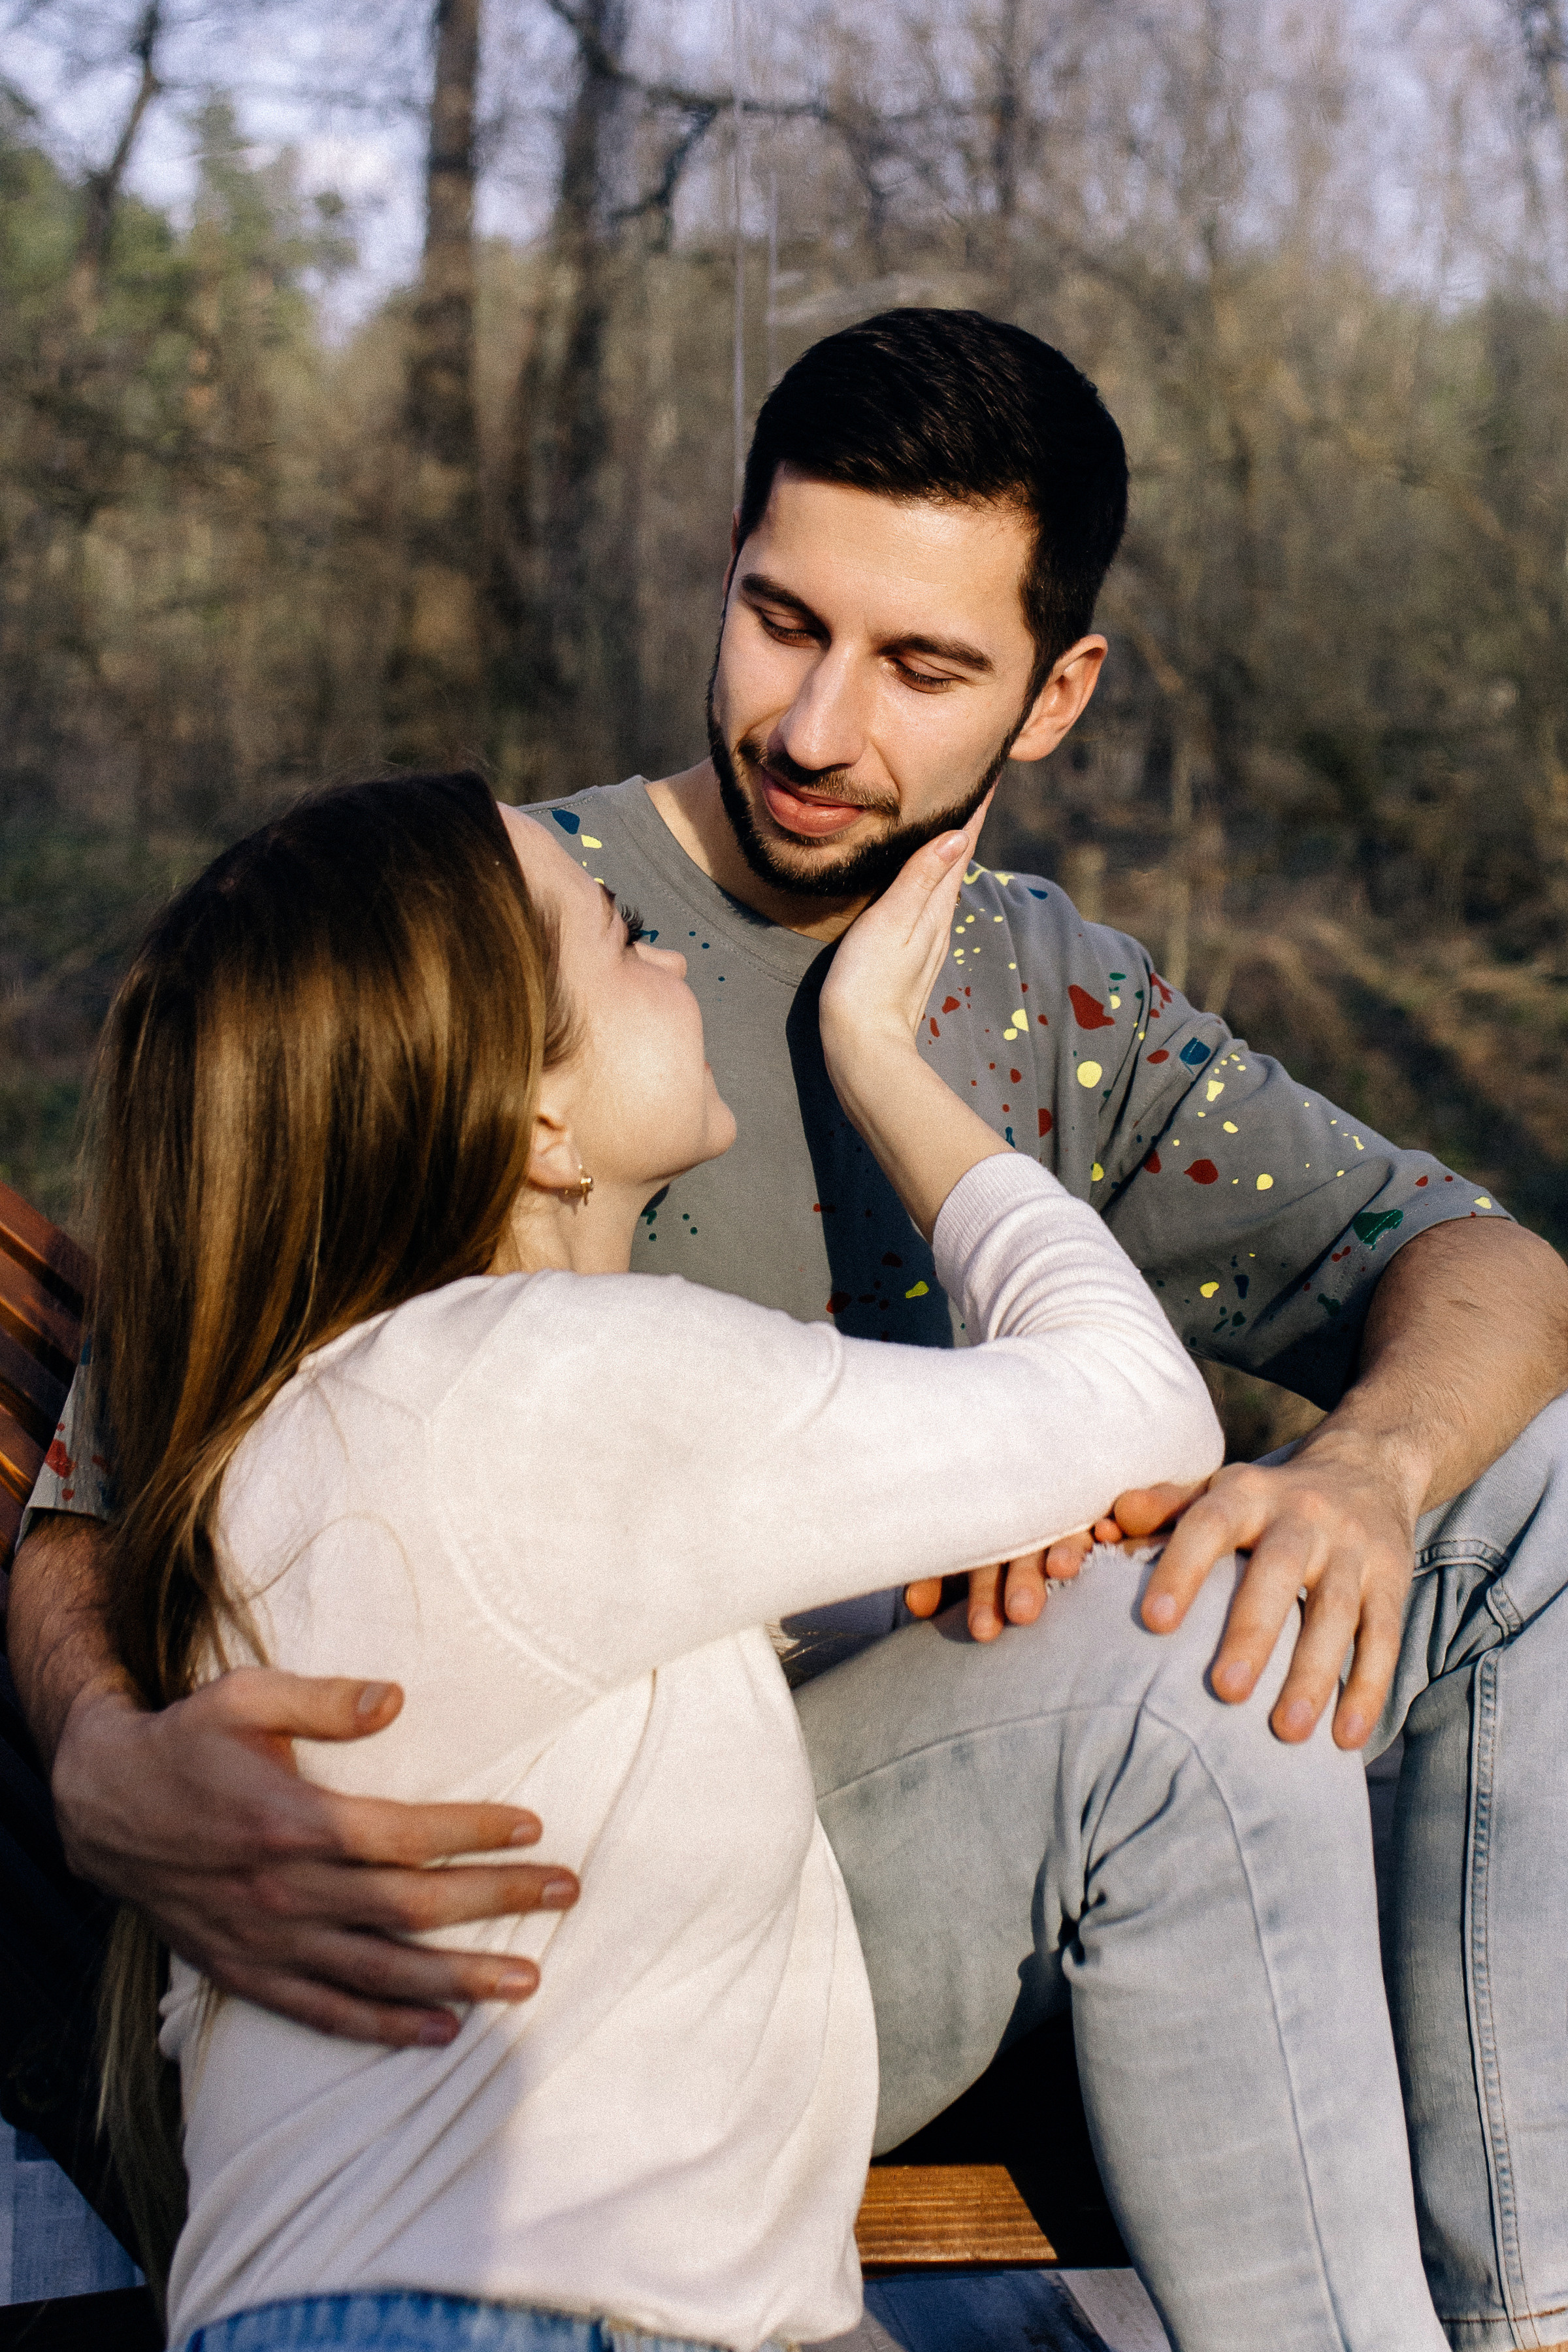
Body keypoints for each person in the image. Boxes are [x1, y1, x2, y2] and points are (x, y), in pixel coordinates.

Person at [12, 309, 1568, 2349]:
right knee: (1162, 1680)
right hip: (576, 1933)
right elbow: (113, 1486)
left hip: (967, 1820)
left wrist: (1363, 1474)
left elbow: (1492, 1270)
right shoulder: (503, 950)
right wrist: (100, 1758)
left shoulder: (1039, 998)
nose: (819, 724)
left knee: (1521, 1488)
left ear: (1055, 693)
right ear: (725, 568)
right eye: (780, 620)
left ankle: (1532, 2299)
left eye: (923, 668)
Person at [88, 765, 1247, 2352]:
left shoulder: (368, 1428)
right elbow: (1143, 1413)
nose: (674, 955)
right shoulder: (543, 1376)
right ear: (536, 1112)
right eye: (619, 934)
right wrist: (878, 1060)